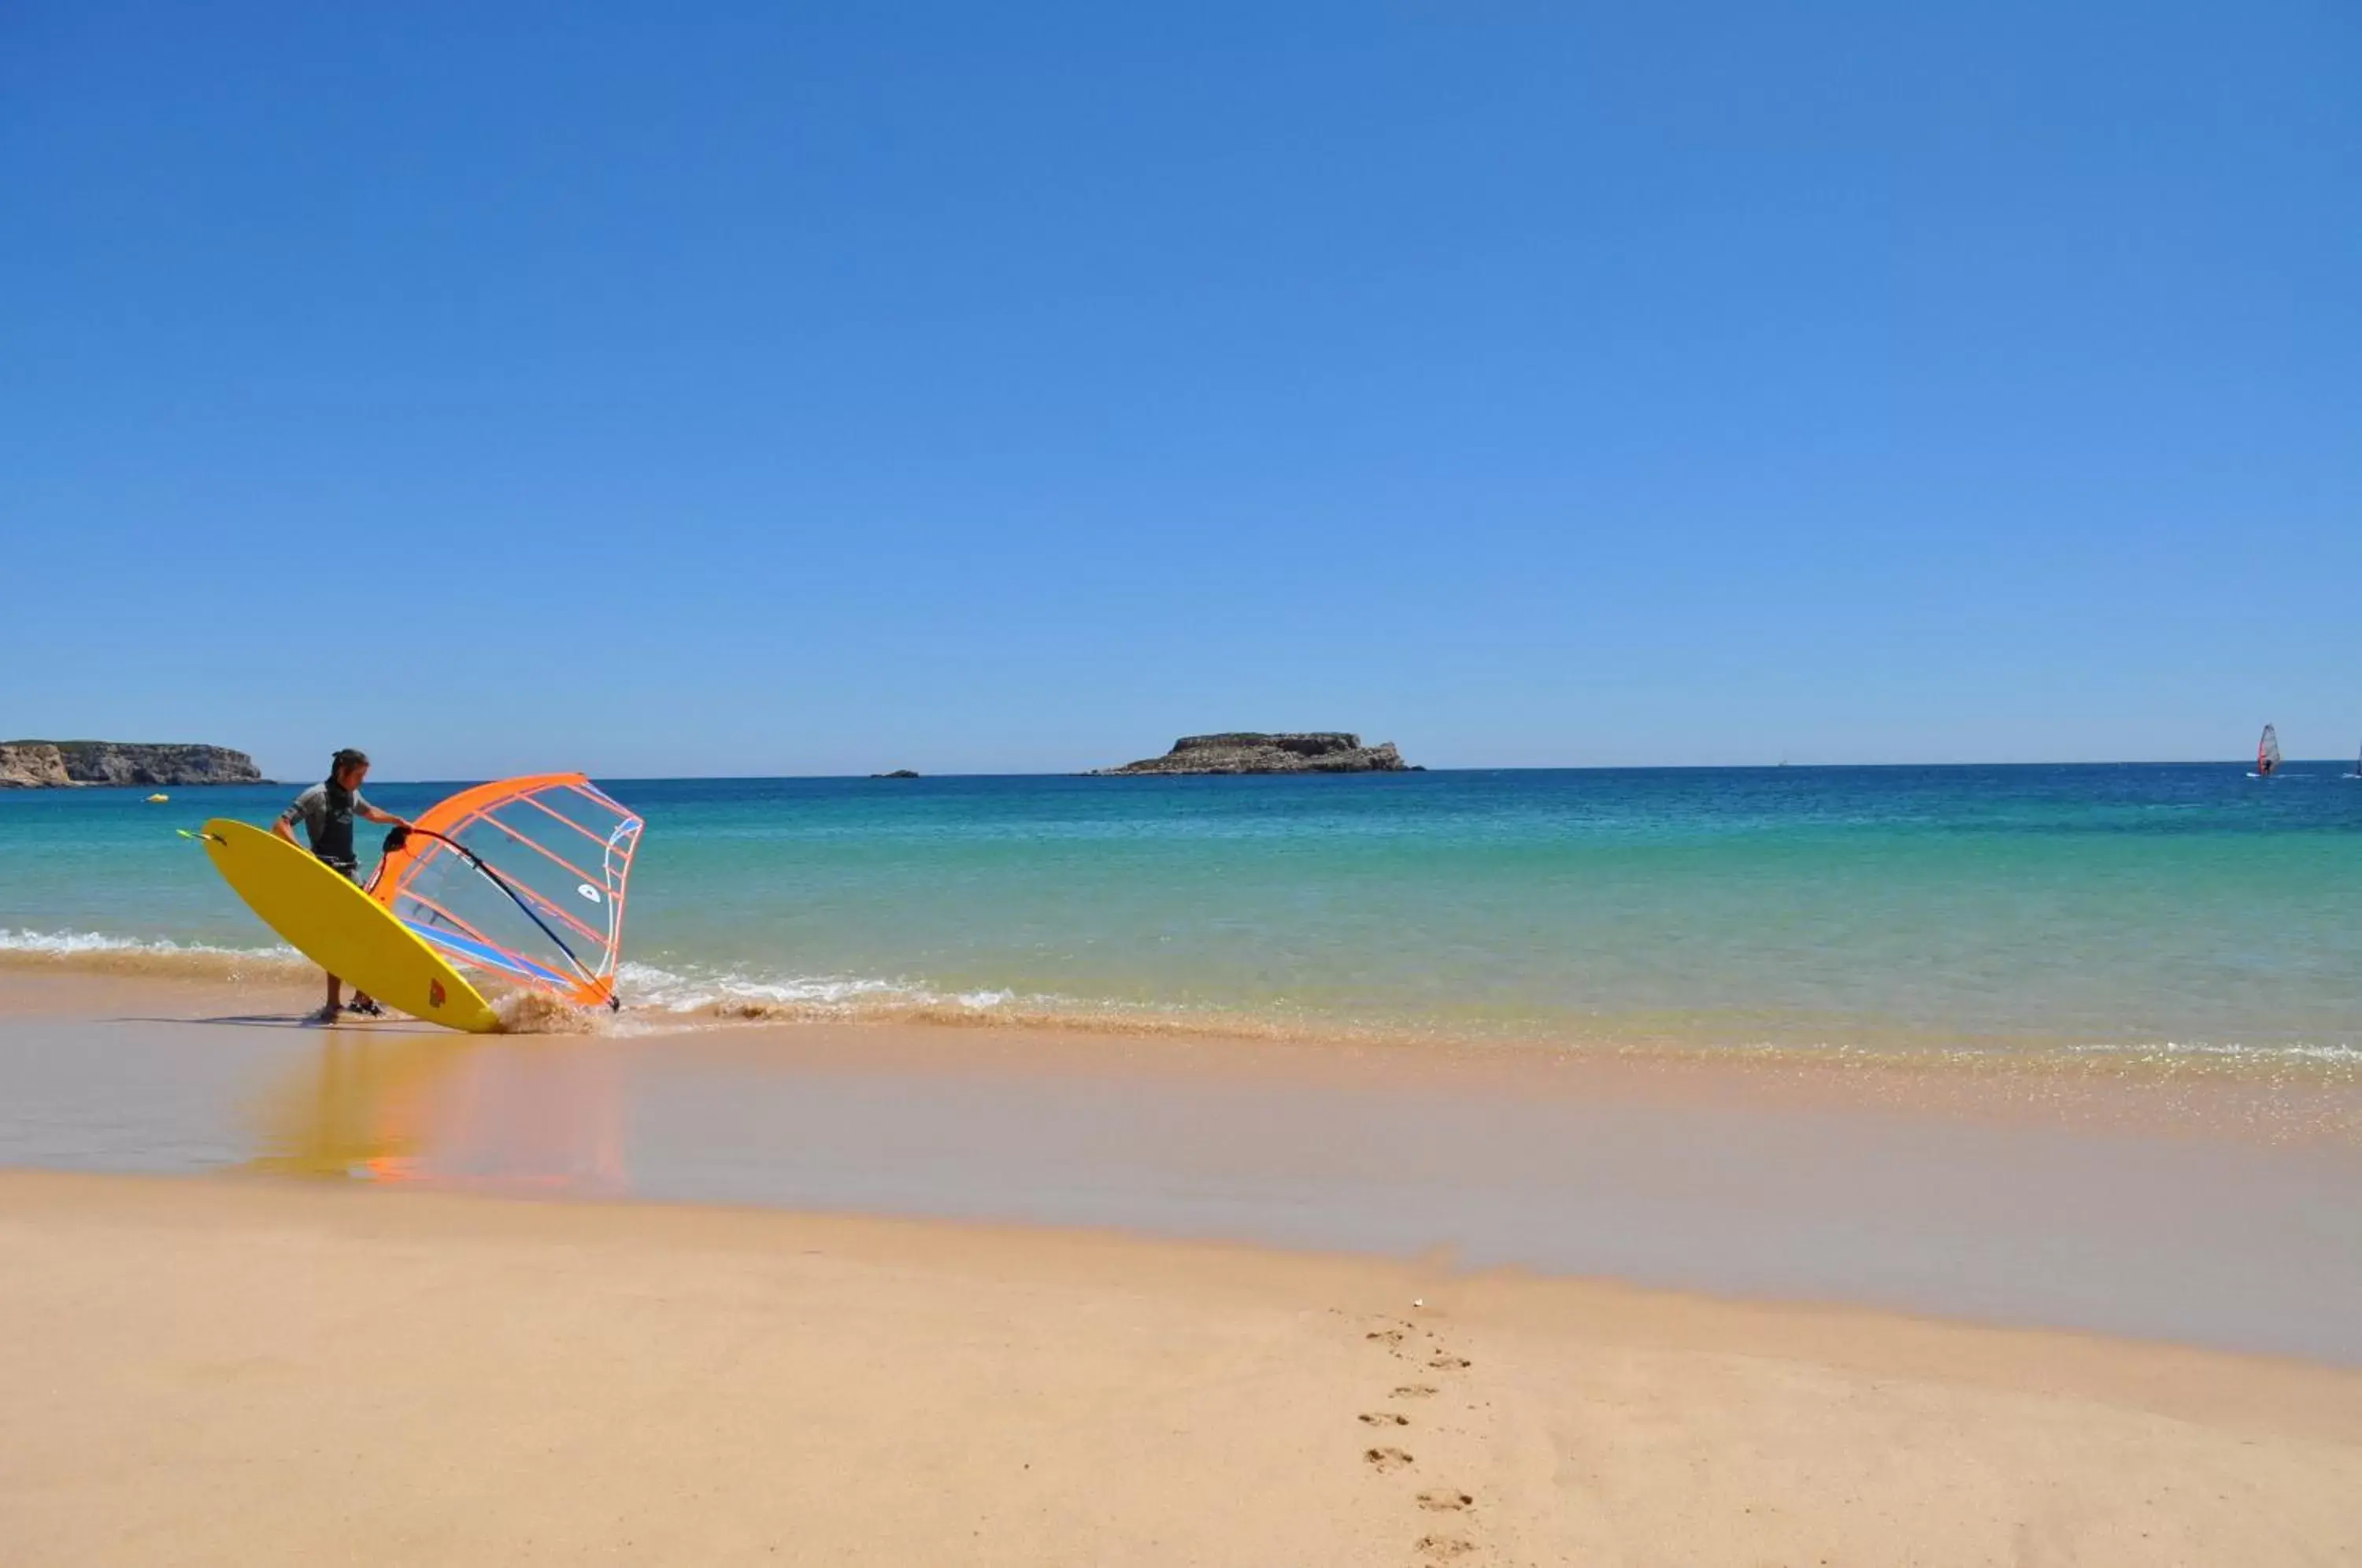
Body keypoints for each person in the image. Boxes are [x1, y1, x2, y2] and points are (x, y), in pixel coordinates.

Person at [274, 749, 410, 1023]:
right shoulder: (316, 795)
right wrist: (303, 852)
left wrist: (396, 820)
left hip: (351, 872)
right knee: (338, 940)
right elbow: (281, 824)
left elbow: (369, 812)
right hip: (328, 875)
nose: (361, 781)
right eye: (358, 775)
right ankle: (334, 1004)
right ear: (342, 771)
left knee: (371, 931)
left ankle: (361, 997)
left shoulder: (350, 794)